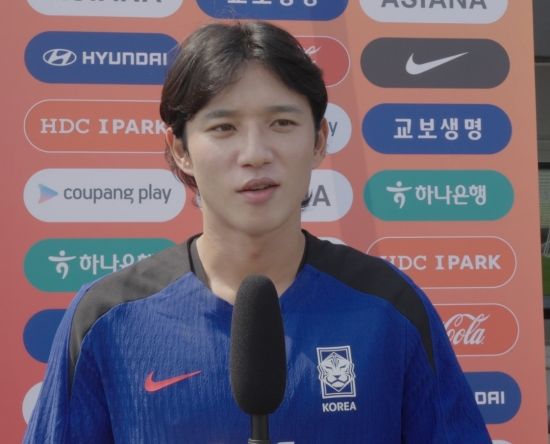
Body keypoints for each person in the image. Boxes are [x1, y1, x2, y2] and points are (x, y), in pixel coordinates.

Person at [24, 21, 491, 443]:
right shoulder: (107, 318)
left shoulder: (389, 307)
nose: (254, 153)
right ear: (180, 149)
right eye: (223, 127)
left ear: (319, 140)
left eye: (281, 123)